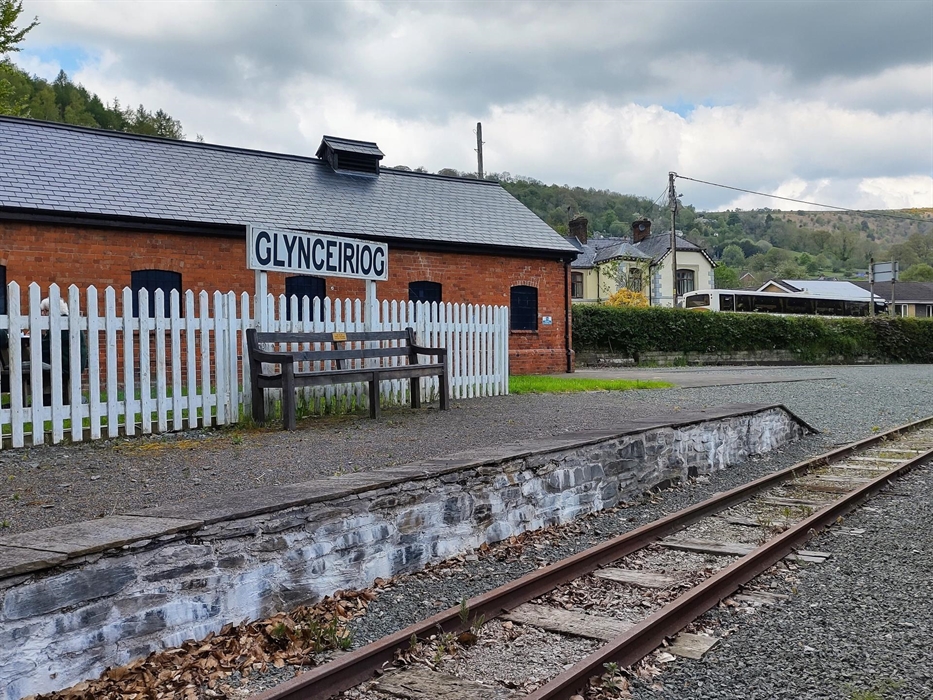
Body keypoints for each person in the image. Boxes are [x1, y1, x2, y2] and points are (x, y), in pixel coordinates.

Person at [39, 298, 88, 405]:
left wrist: (40, 336)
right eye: (42, 311)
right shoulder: (68, 322)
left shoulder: (59, 325)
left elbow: (44, 349)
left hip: (65, 365)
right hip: (74, 363)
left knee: (33, 364)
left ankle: (43, 398)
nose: (42, 314)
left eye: (45, 311)